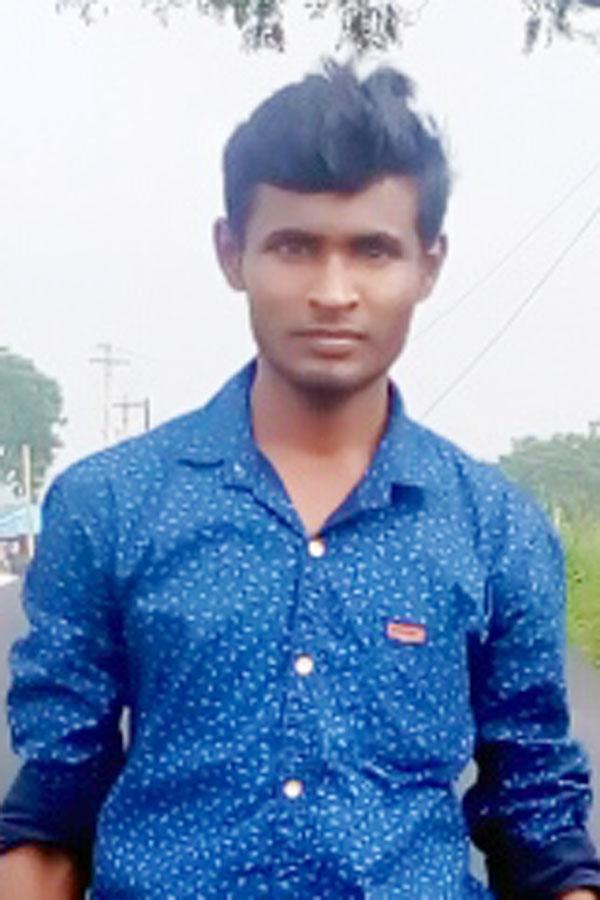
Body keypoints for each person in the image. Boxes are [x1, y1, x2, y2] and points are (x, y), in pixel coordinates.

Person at [0, 60, 599, 900]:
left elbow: (537, 819)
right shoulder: (111, 505)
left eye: (373, 250)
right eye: (294, 246)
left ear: (429, 265)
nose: (333, 291)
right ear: (231, 252)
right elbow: (52, 813)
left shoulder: (496, 530)